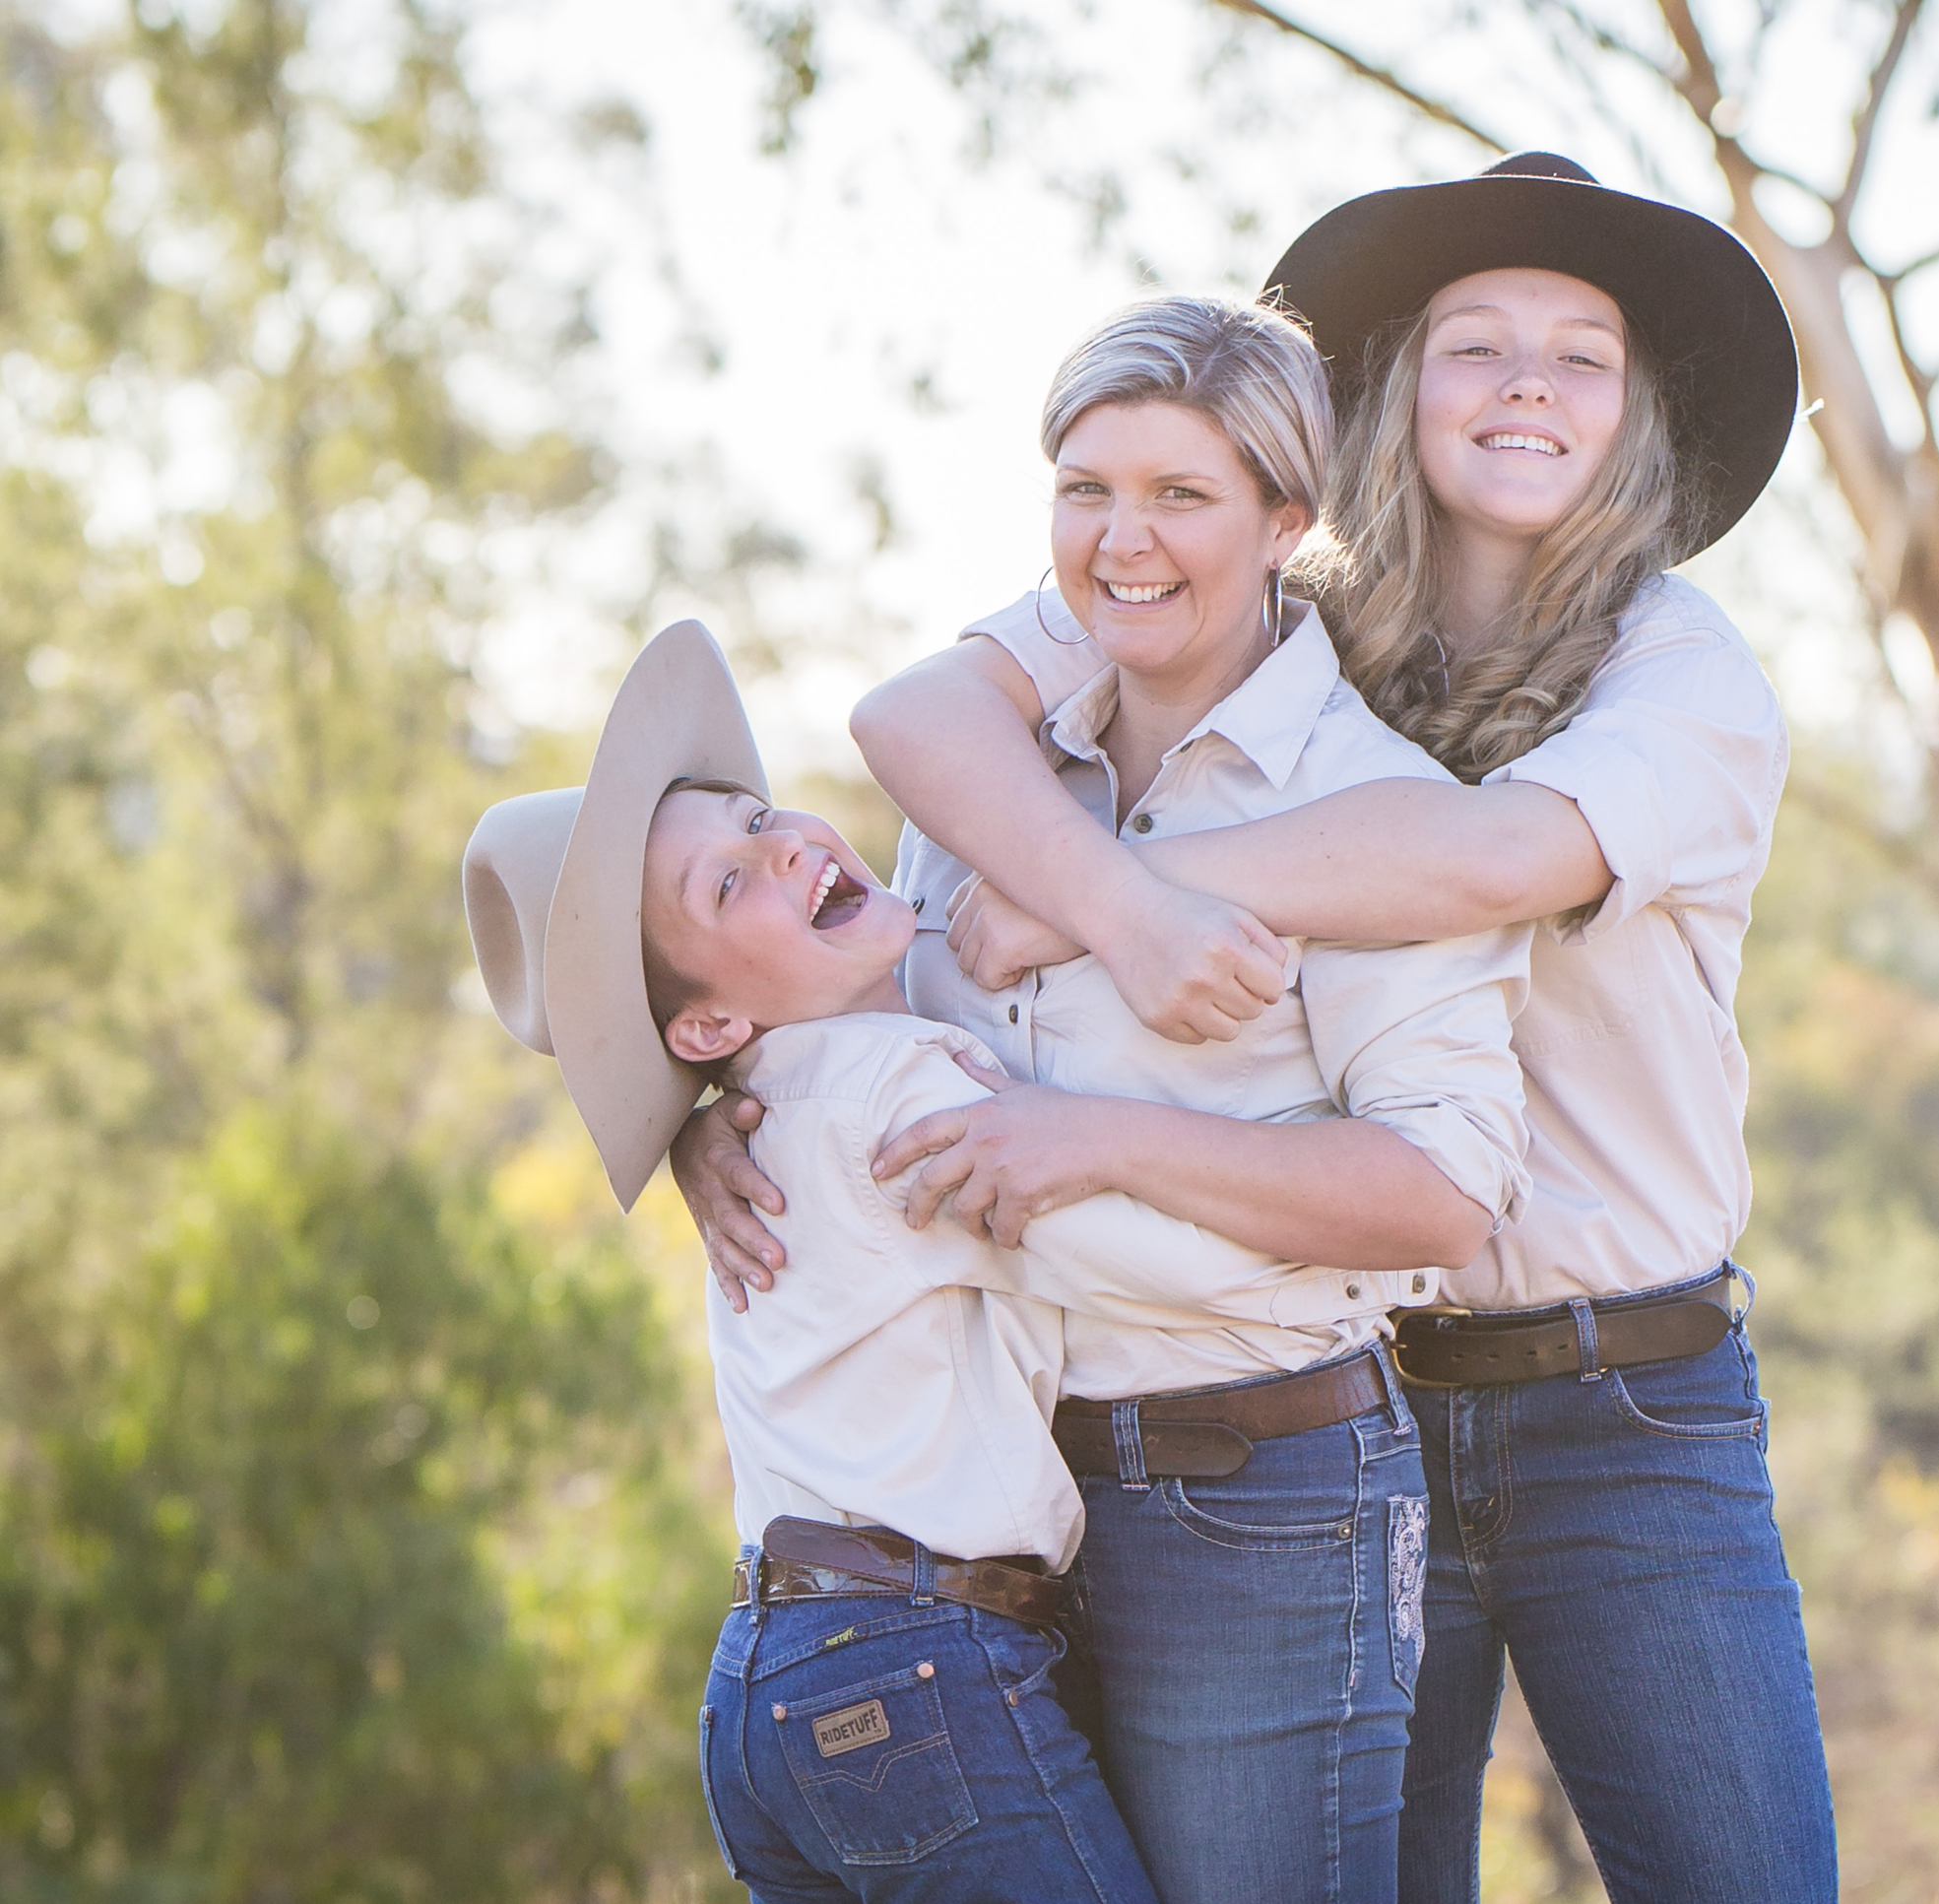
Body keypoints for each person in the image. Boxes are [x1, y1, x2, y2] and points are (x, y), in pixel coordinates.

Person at [818, 157, 1837, 1901]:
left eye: (1579, 355)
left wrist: (1101, 892)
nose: (1525, 382)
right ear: (1383, 390)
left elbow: (1494, 854)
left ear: (1638, 413)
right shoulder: (1277, 621)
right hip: (1335, 1413)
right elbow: (922, 714)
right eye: (1474, 344)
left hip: (1621, 1401)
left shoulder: (1680, 672)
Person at [676, 295, 1536, 1904]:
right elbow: (846, 1027)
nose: (1122, 542)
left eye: (1181, 497)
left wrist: (1104, 1139)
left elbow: (1439, 1197)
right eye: (1087, 490)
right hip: (989, 1547)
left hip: (1257, 1506)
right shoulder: (991, 778)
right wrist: (705, 1122)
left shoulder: (1374, 818)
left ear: (1289, 519)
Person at [464, 621, 1382, 1902]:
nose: (779, 846)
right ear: (711, 1021)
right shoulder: (900, 1093)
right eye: (728, 886)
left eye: (753, 819)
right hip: (910, 1671)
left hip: (772, 1685)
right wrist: (1380, 1245)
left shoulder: (778, 1102)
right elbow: (1137, 1270)